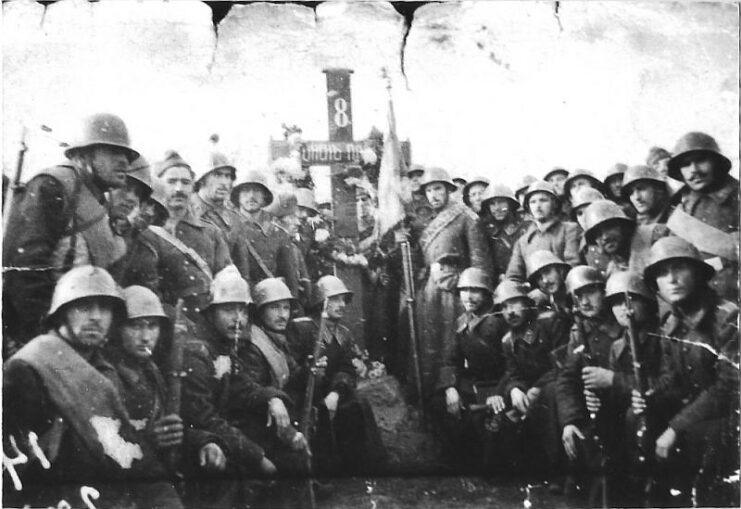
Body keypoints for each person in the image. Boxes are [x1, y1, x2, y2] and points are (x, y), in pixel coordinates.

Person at [3, 266, 181, 508]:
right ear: (62, 313)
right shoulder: (30, 367)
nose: (96, 316)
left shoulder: (104, 370)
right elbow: (14, 471)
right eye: (84, 306)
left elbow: (131, 455)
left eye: (105, 308)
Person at [3, 113, 136, 348]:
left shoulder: (98, 202)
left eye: (126, 154)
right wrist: (46, 332)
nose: (124, 161)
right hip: (38, 335)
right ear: (83, 154)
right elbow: (24, 269)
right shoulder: (51, 186)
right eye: (114, 152)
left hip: (78, 330)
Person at [633, 236, 739, 505]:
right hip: (698, 411)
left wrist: (676, 427)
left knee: (699, 436)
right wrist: (650, 393)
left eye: (679, 268)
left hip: (728, 416)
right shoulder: (671, 322)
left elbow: (729, 386)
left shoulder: (727, 316)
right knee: (638, 415)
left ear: (698, 274)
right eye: (662, 273)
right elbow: (673, 378)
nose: (672, 279)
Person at [180, 267, 279, 479]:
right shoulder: (196, 352)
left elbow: (243, 386)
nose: (238, 319)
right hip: (199, 445)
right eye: (228, 310)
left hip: (222, 433)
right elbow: (204, 418)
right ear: (210, 313)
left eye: (243, 311)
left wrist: (272, 399)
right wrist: (257, 457)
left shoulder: (223, 344)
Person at [287, 275, 387, 475]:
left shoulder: (344, 333)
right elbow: (292, 368)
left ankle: (364, 467)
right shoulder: (301, 328)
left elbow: (347, 368)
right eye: (334, 299)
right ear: (321, 301)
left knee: (358, 404)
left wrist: (336, 392)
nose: (341, 305)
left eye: (343, 300)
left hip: (334, 392)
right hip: (306, 393)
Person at [119, 150, 233, 321]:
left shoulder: (211, 232)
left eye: (186, 182)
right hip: (165, 322)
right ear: (157, 185)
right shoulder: (144, 232)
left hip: (210, 323)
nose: (179, 188)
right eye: (171, 182)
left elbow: (228, 280)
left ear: (193, 187)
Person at [414, 167, 492, 405]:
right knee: (430, 346)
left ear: (448, 190)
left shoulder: (466, 217)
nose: (433, 195)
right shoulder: (426, 222)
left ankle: (457, 396)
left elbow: (480, 262)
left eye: (438, 188)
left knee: (452, 346)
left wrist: (469, 291)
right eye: (428, 190)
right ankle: (431, 400)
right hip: (430, 292)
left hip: (457, 294)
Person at [496, 279, 570, 484]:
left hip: (561, 383)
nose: (509, 311)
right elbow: (513, 374)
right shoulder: (508, 341)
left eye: (513, 303)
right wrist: (515, 390)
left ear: (527, 303)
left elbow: (562, 364)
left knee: (551, 394)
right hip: (531, 392)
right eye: (503, 307)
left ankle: (559, 472)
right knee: (504, 413)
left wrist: (537, 388)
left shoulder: (549, 322)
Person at [556, 266, 622, 493]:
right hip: (592, 411)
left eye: (590, 292)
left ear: (604, 291)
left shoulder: (623, 324)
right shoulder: (579, 330)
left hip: (623, 409)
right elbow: (567, 379)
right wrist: (570, 420)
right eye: (578, 296)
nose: (584, 302)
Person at [435, 268, 507, 472]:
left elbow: (512, 365)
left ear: (486, 294)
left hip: (500, 384)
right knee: (440, 403)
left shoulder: (499, 321)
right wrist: (450, 388)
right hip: (474, 383)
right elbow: (450, 359)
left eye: (475, 290)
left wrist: (498, 392)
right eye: (464, 290)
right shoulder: (462, 322)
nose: (469, 296)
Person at [666, 131, 739, 300]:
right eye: (686, 164)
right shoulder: (681, 210)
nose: (694, 170)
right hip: (698, 303)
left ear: (716, 162)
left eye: (700, 160)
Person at [232, 171, 300, 289]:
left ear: (265, 197)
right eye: (246, 191)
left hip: (270, 299)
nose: (251, 196)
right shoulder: (227, 228)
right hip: (237, 298)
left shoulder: (278, 233)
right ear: (238, 196)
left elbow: (290, 276)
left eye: (257, 191)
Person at [190, 150, 252, 280]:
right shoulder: (185, 211)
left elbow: (243, 267)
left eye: (228, 176)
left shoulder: (234, 219)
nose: (225, 182)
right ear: (202, 179)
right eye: (218, 175)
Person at [505, 180, 581, 282]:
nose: (538, 206)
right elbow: (513, 277)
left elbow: (573, 266)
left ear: (554, 204)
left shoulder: (569, 230)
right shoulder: (523, 242)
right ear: (528, 207)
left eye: (543, 200)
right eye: (533, 202)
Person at [581, 199, 669, 278]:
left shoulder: (656, 235)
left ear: (623, 226)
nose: (605, 237)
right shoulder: (613, 272)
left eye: (609, 227)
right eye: (598, 234)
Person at [479, 184, 530, 281]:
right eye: (492, 204)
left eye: (501, 202)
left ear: (510, 204)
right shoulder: (486, 233)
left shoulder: (526, 228)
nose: (497, 208)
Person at [525, 250, 572, 317]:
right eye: (539, 277)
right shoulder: (549, 309)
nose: (545, 281)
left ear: (560, 270)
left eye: (547, 272)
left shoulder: (578, 297)